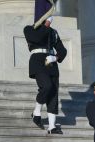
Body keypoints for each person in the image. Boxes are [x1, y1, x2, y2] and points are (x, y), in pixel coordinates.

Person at [24, 0, 67, 134]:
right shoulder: (30, 29)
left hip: (51, 63)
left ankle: (52, 126)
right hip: (38, 62)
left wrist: (56, 57)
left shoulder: (53, 33)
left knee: (53, 93)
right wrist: (47, 25)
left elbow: (63, 50)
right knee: (46, 86)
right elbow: (36, 39)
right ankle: (36, 112)